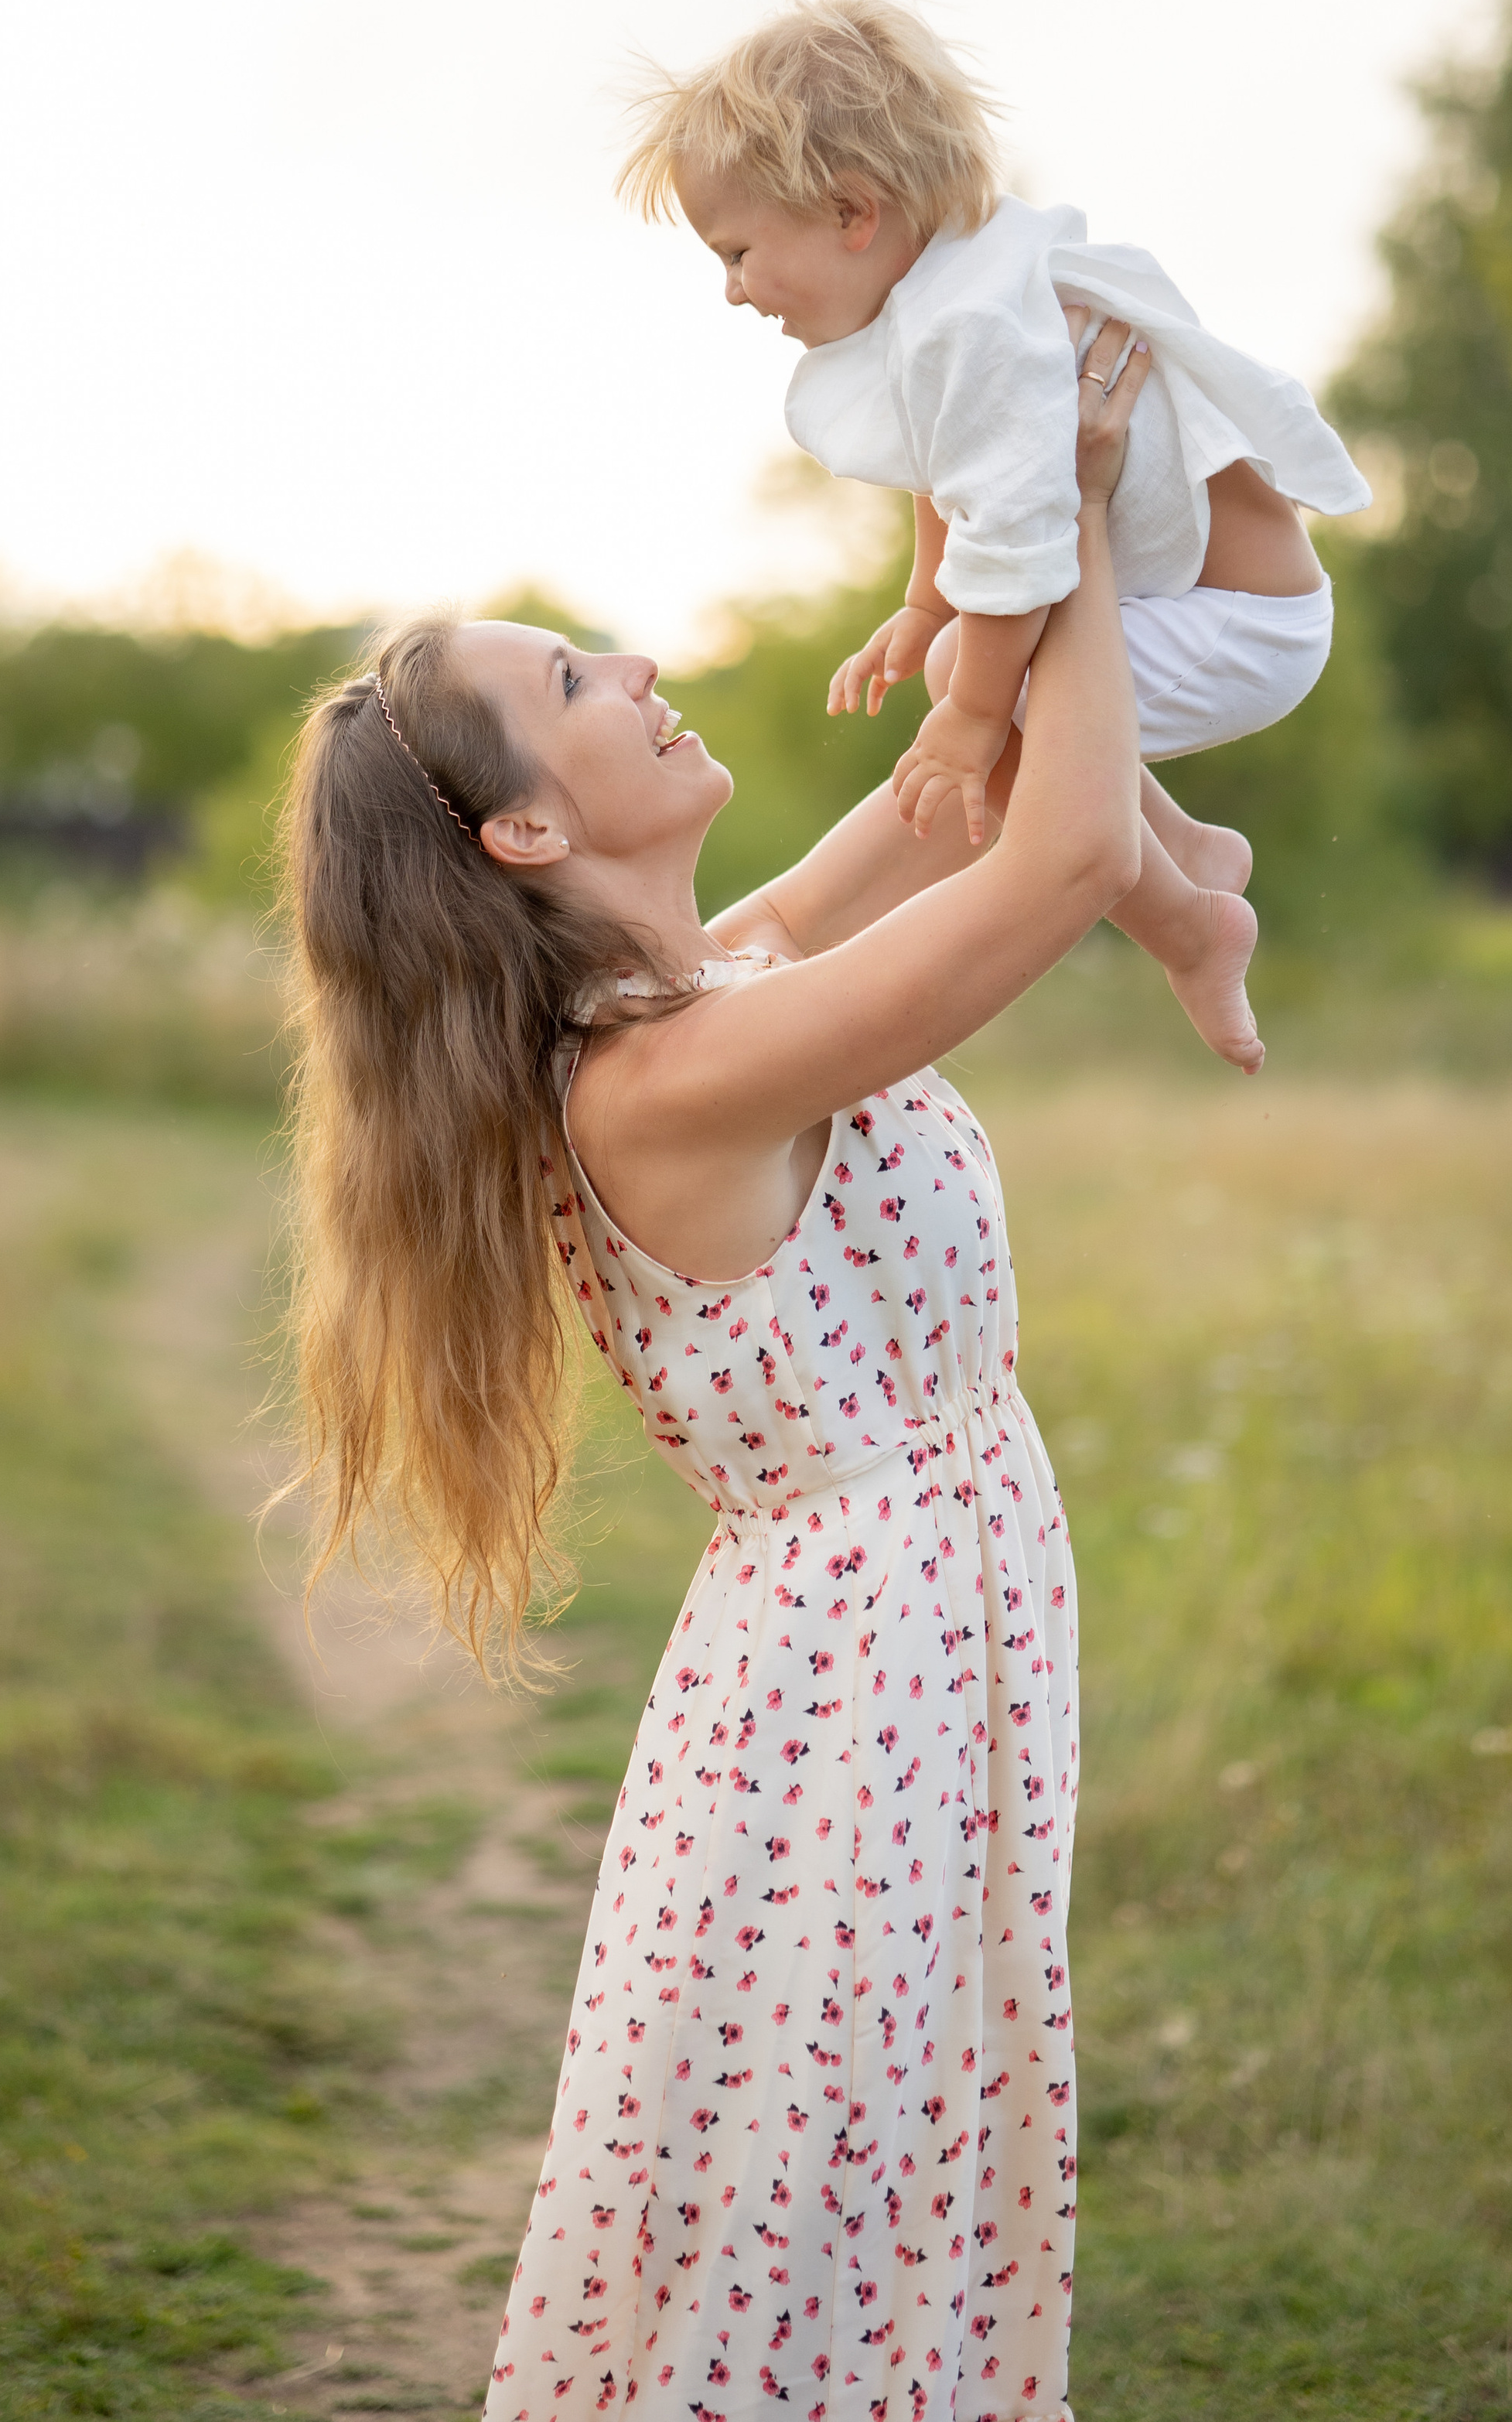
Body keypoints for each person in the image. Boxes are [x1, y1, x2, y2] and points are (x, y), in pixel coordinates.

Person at [278, 324, 1150, 2420]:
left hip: (895, 1641)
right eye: (578, 682)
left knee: (874, 2175)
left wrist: (985, 520)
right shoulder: (667, 1081)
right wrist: (1090, 523)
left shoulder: (708, 982)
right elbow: (1063, 862)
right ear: (521, 831)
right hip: (861, 1679)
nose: (640, 663)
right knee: (828, 2196)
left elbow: (952, 799)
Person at [619, 0, 1373, 1076]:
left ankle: (1192, 926)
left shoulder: (972, 324)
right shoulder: (957, 283)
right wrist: (925, 601)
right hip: (1211, 607)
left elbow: (1019, 534)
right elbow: (954, 471)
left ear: (852, 212)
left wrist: (969, 715)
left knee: (981, 690)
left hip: (1239, 629)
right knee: (964, 658)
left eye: (737, 252)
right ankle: (1189, 852)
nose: (734, 292)